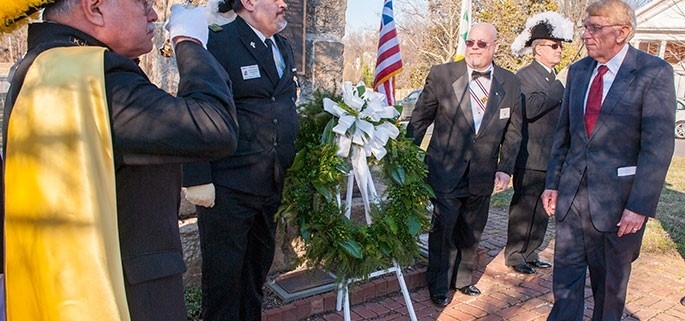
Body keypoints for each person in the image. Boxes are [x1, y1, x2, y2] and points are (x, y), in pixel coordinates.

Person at [1, 0, 239, 320]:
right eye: (143, 4)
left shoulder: (44, 66)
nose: (154, 15)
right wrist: (190, 43)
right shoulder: (94, 77)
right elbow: (214, 128)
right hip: (129, 296)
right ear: (96, 8)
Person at [541, 0, 675, 320]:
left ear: (622, 32)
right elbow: (564, 135)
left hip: (619, 205)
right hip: (572, 199)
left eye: (595, 27)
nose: (586, 34)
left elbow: (657, 147)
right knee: (565, 285)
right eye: (586, 26)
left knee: (609, 292)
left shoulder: (653, 72)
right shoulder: (578, 71)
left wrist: (640, 206)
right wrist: (553, 184)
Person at [181, 0, 299, 320]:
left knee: (256, 273)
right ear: (248, 2)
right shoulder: (219, 41)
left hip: (270, 183)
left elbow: (282, 104)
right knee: (223, 282)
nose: (283, 4)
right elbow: (195, 106)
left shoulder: (283, 47)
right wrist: (196, 176)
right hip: (228, 187)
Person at [407, 22, 522, 307]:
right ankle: (438, 284)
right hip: (445, 169)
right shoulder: (443, 75)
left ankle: (462, 280)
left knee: (472, 229)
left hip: (483, 173)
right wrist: (406, 158)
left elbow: (514, 131)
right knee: (444, 229)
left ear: (495, 46)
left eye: (481, 44)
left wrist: (505, 167)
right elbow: (420, 118)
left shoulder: (510, 83)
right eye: (469, 42)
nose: (473, 49)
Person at [505, 12, 573, 275]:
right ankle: (515, 253)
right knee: (525, 207)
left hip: (553, 156)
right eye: (554, 45)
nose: (559, 50)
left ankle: (532, 251)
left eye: (560, 46)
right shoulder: (525, 75)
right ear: (538, 49)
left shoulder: (553, 76)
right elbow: (531, 108)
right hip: (531, 154)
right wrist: (559, 85)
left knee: (544, 208)